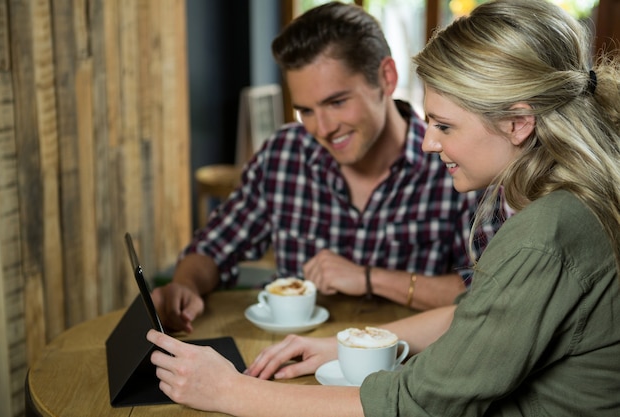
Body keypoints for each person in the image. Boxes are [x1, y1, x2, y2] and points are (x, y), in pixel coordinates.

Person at [146, 0, 620, 415]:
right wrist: (344, 344)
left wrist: (231, 391)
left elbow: (421, 400)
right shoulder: (543, 200)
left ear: (519, 123)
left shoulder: (542, 231)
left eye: (445, 126)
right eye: (305, 110)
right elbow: (479, 311)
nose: (431, 142)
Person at [152, 1, 503, 332]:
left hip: (408, 367)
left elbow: (489, 291)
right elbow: (213, 248)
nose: (322, 128)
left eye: (336, 102)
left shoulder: (455, 161)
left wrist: (369, 278)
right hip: (295, 364)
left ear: (386, 77)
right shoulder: (283, 155)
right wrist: (184, 286)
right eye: (305, 110)